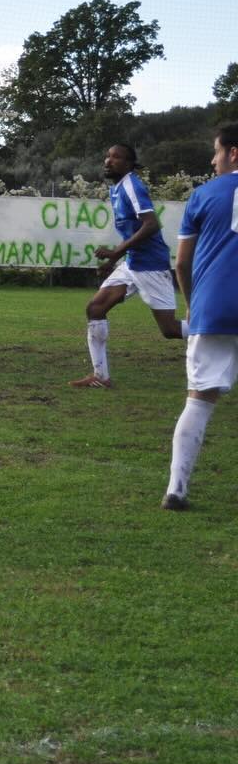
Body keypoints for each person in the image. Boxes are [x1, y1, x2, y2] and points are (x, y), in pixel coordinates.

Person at [161, 125, 238, 510]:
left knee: (200, 399)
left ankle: (176, 490)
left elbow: (181, 263)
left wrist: (193, 304)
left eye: (216, 151)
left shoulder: (203, 195)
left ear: (234, 153)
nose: (212, 159)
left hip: (214, 308)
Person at [70, 142, 187, 388]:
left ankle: (222, 330)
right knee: (95, 308)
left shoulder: (132, 186)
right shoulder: (118, 188)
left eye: (116, 157)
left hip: (151, 265)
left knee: (170, 330)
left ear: (129, 164)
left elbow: (151, 224)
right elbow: (133, 231)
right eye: (107, 155)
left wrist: (115, 252)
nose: (108, 160)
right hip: (132, 263)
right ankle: (100, 376)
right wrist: (114, 260)